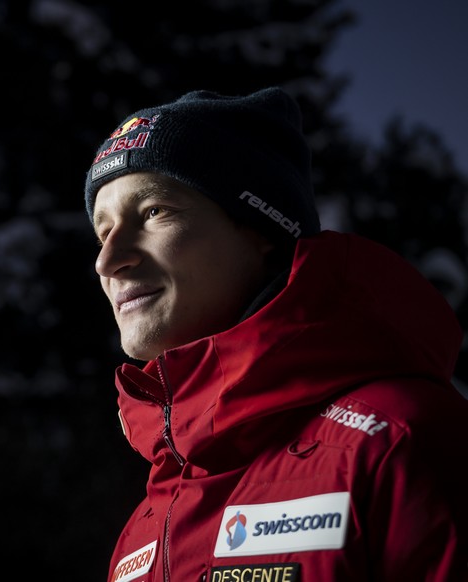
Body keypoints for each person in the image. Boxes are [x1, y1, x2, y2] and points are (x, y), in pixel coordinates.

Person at [84, 87, 468, 582]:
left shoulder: (399, 440)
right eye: (102, 231)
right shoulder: (147, 522)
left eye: (154, 212)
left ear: (261, 228)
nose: (108, 260)